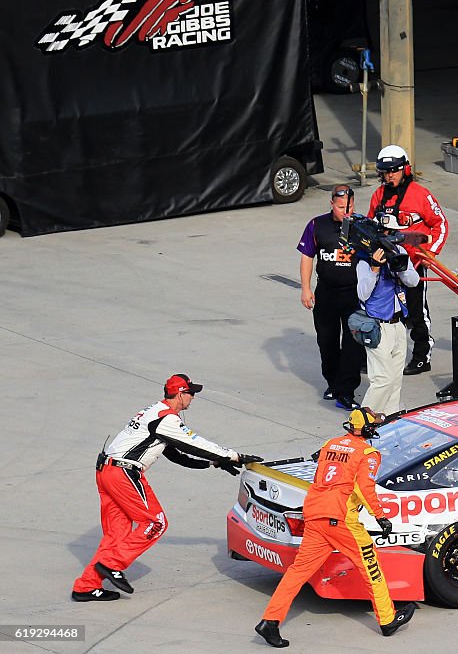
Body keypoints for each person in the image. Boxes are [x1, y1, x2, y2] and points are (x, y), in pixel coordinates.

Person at [71, 374, 262, 602]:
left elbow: (177, 455)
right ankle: (111, 564)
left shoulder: (153, 412)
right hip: (124, 473)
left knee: (117, 534)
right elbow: (195, 443)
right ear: (180, 394)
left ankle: (86, 586)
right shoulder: (166, 419)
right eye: (191, 393)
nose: (193, 398)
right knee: (155, 522)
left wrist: (214, 462)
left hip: (106, 471)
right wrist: (234, 456)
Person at [255, 408, 416, 647]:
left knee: (297, 572)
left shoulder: (331, 443)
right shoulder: (368, 453)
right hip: (341, 520)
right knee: (371, 565)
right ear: (369, 430)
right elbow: (364, 488)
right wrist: (380, 516)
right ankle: (387, 619)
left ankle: (270, 621)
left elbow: (320, 471)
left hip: (314, 514)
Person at [368, 145, 449, 376]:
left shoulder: (420, 194)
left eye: (394, 170)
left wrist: (430, 253)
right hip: (385, 266)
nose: (389, 175)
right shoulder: (378, 195)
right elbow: (371, 225)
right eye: (385, 171)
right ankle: (380, 353)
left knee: (416, 314)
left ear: (405, 169)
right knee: (382, 312)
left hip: (413, 266)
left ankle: (422, 355)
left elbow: (441, 224)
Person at [297, 184, 364, 410]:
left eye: (350, 206)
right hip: (326, 293)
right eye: (341, 207)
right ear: (332, 204)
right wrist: (305, 288)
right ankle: (333, 383)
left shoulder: (362, 227)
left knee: (354, 344)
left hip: (354, 295)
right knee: (327, 342)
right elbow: (307, 257)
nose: (346, 212)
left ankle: (346, 391)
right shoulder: (317, 225)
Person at [355, 241, 420, 417]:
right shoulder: (364, 259)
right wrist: (375, 269)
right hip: (376, 325)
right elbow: (362, 293)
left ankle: (391, 417)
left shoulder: (399, 251)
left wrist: (400, 267)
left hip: (398, 324)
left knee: (396, 377)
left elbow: (414, 281)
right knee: (382, 379)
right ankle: (363, 421)